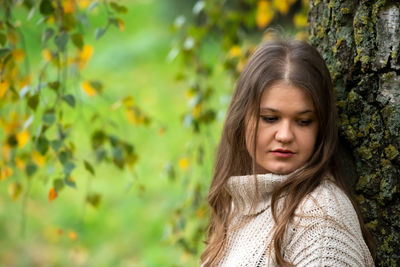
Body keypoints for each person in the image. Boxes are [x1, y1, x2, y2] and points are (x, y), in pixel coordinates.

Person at [200, 38, 375, 266]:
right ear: (242, 118)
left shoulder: (321, 221)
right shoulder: (240, 203)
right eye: (270, 118)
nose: (284, 135)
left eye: (303, 121)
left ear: (320, 128)